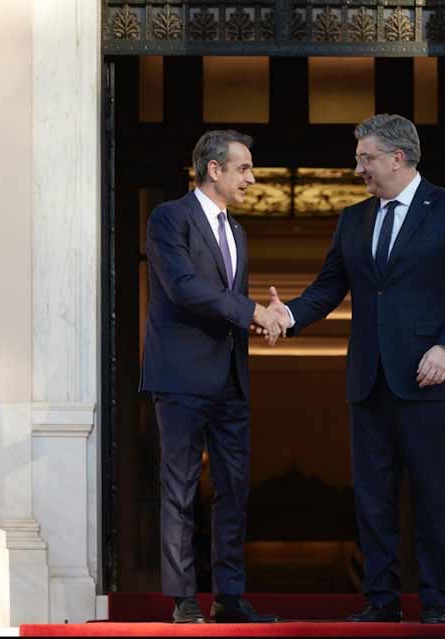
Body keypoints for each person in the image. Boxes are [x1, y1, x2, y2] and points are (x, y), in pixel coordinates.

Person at [266, 114, 445, 623]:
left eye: (366, 159)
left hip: (429, 378)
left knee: (433, 494)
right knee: (373, 497)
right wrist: (289, 315)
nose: (358, 169)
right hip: (368, 379)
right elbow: (329, 287)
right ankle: (381, 600)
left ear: (398, 157)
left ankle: (436, 604)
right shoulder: (353, 219)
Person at [140, 130, 287, 623]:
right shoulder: (169, 218)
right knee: (180, 490)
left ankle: (230, 597)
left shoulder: (237, 232)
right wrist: (250, 311)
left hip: (230, 380)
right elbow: (183, 287)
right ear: (214, 169)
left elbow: (227, 305)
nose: (252, 178)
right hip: (180, 377)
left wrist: (260, 319)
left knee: (234, 490)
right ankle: (183, 600)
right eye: (243, 168)